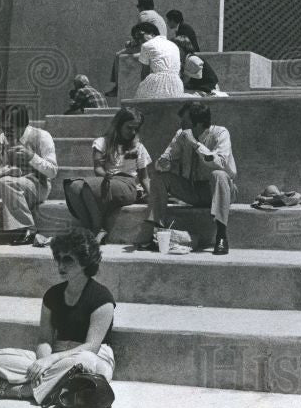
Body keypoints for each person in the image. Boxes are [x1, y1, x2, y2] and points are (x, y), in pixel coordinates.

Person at [0, 228, 116, 404]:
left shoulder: (102, 298)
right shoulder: (52, 295)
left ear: (85, 262)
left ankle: (11, 390)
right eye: (59, 259)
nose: (61, 266)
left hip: (91, 358)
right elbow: (44, 339)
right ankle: (51, 385)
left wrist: (51, 360)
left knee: (86, 365)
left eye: (68, 260)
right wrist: (42, 362)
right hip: (58, 356)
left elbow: (91, 347)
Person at [145, 102, 238, 255]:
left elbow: (219, 162)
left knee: (219, 175)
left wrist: (195, 144)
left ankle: (221, 236)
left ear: (199, 123)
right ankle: (157, 234)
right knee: (159, 178)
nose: (181, 124)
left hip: (220, 190)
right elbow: (164, 161)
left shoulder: (220, 133)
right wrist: (163, 163)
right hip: (193, 190)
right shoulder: (181, 134)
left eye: (185, 121)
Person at [63, 107, 151, 244]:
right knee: (72, 186)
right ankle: (89, 229)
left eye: (136, 129)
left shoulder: (138, 147)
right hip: (108, 180)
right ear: (118, 124)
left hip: (128, 184)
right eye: (129, 128)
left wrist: (151, 195)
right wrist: (106, 175)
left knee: (87, 187)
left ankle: (98, 229)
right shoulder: (102, 142)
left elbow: (144, 177)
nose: (133, 132)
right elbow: (98, 168)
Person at [0, 104, 58, 246]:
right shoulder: (3, 137)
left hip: (38, 185)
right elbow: (3, 169)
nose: (6, 133)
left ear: (23, 125)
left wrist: (32, 156)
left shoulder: (42, 136)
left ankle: (27, 228)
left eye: (10, 128)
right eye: (3, 128)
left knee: (6, 181)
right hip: (12, 185)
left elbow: (53, 171)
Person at [106, 0, 168, 96]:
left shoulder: (143, 15)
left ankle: (117, 87)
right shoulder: (159, 17)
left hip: (150, 46)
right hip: (163, 46)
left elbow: (140, 35)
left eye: (138, 7)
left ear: (141, 7)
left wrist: (130, 44)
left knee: (118, 55)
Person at [133, 21, 184, 99]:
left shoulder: (146, 45)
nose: (139, 40)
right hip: (177, 85)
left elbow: (145, 72)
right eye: (137, 39)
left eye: (140, 36)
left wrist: (142, 86)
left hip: (158, 83)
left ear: (152, 33)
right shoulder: (173, 45)